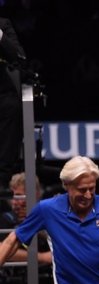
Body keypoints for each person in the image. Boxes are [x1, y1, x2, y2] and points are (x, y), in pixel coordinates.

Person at [0, 17, 25, 189]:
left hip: (2, 93)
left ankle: (1, 177)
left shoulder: (3, 25)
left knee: (12, 106)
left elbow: (18, 55)